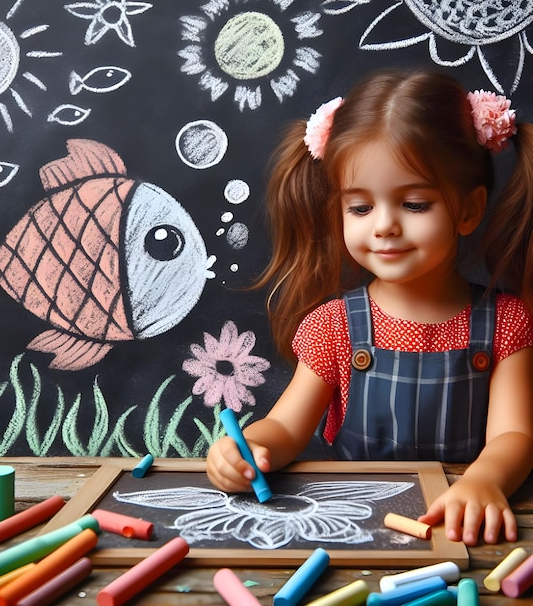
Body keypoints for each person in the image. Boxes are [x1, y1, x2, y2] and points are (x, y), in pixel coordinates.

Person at [206, 68, 533, 546]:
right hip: (352, 525)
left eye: (415, 205)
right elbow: (285, 426)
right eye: (360, 208)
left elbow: (515, 437)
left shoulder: (505, 323)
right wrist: (250, 449)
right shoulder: (333, 326)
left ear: (468, 209)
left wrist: (484, 482)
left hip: (466, 528)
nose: (383, 227)